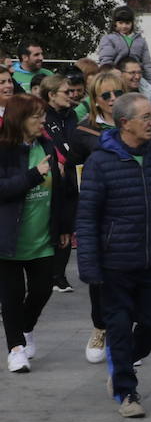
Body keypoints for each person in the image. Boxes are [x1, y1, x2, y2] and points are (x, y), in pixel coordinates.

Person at [75, 93, 151, 417]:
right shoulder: (100, 161)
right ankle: (126, 390)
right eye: (147, 117)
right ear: (125, 123)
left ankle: (122, 366)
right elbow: (87, 217)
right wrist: (90, 266)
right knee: (119, 326)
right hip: (115, 263)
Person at [0, 95, 73, 373]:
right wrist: (33, 175)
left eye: (43, 115)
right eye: (36, 117)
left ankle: (25, 328)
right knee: (12, 295)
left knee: (42, 290)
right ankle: (15, 349)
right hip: (9, 238)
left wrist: (64, 226)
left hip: (42, 237)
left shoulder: (46, 146)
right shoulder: (4, 149)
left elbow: (62, 191)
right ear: (19, 120)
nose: (42, 121)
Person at [69, 70, 126, 361]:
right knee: (98, 273)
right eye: (106, 95)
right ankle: (99, 327)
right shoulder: (84, 131)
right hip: (98, 212)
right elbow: (73, 173)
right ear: (95, 100)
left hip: (130, 210)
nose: (113, 99)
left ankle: (125, 331)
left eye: (117, 93)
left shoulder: (135, 126)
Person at [38, 74, 78, 294]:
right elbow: (48, 143)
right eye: (66, 92)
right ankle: (50, 274)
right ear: (52, 95)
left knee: (68, 223)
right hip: (53, 174)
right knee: (55, 222)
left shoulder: (72, 115)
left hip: (72, 175)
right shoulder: (43, 115)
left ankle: (59, 276)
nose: (71, 95)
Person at [95, 5, 151, 87]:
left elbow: (147, 65)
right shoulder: (108, 39)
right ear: (115, 23)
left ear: (132, 23)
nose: (124, 26)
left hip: (136, 80)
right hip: (116, 80)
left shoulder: (141, 41)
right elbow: (106, 61)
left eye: (127, 23)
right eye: (120, 23)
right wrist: (113, 72)